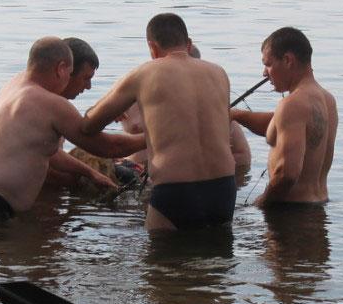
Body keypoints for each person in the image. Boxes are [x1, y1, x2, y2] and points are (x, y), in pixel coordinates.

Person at [0, 36, 145, 220]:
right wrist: (154, 136)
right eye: (74, 73)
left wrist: (89, 172)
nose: (87, 87)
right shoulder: (50, 104)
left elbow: (48, 153)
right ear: (61, 68)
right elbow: (108, 147)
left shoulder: (14, 86)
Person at [82, 13, 237, 230]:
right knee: (218, 258)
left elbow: (89, 125)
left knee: (161, 260)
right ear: (189, 44)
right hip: (224, 188)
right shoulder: (219, 73)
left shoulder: (145, 73)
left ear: (152, 48)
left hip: (176, 190)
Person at [231, 27, 337, 206]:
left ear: (288, 60)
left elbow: (287, 175)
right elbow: (279, 127)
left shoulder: (293, 104)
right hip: (318, 206)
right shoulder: (327, 99)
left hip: (288, 214)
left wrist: (262, 203)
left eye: (268, 64)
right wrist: (236, 115)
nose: (265, 73)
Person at [119, 42, 252, 173]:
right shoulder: (136, 94)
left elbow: (243, 156)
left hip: (185, 180)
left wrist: (203, 168)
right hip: (135, 173)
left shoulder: (216, 109)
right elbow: (102, 119)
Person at [43, 37, 120, 192]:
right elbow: (47, 165)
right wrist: (91, 175)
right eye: (86, 78)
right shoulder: (45, 106)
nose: (89, 87)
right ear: (65, 71)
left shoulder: (52, 104)